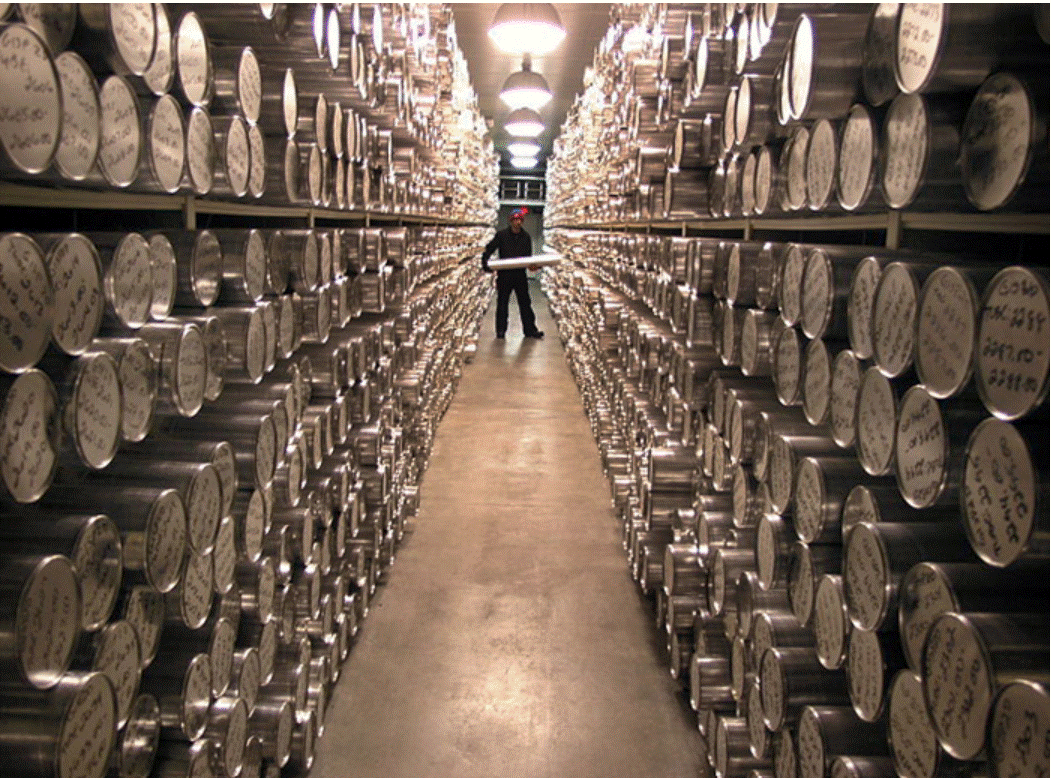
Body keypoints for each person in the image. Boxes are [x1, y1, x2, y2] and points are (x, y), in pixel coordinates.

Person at [480, 207, 544, 339]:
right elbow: (489, 249)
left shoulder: (526, 237)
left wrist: (532, 266)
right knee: (502, 303)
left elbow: (528, 257)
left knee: (525, 303)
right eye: (515, 219)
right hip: (505, 275)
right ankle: (501, 331)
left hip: (520, 275)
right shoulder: (502, 235)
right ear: (510, 221)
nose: (517, 222)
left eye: (520, 219)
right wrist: (485, 263)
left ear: (522, 221)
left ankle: (530, 330)